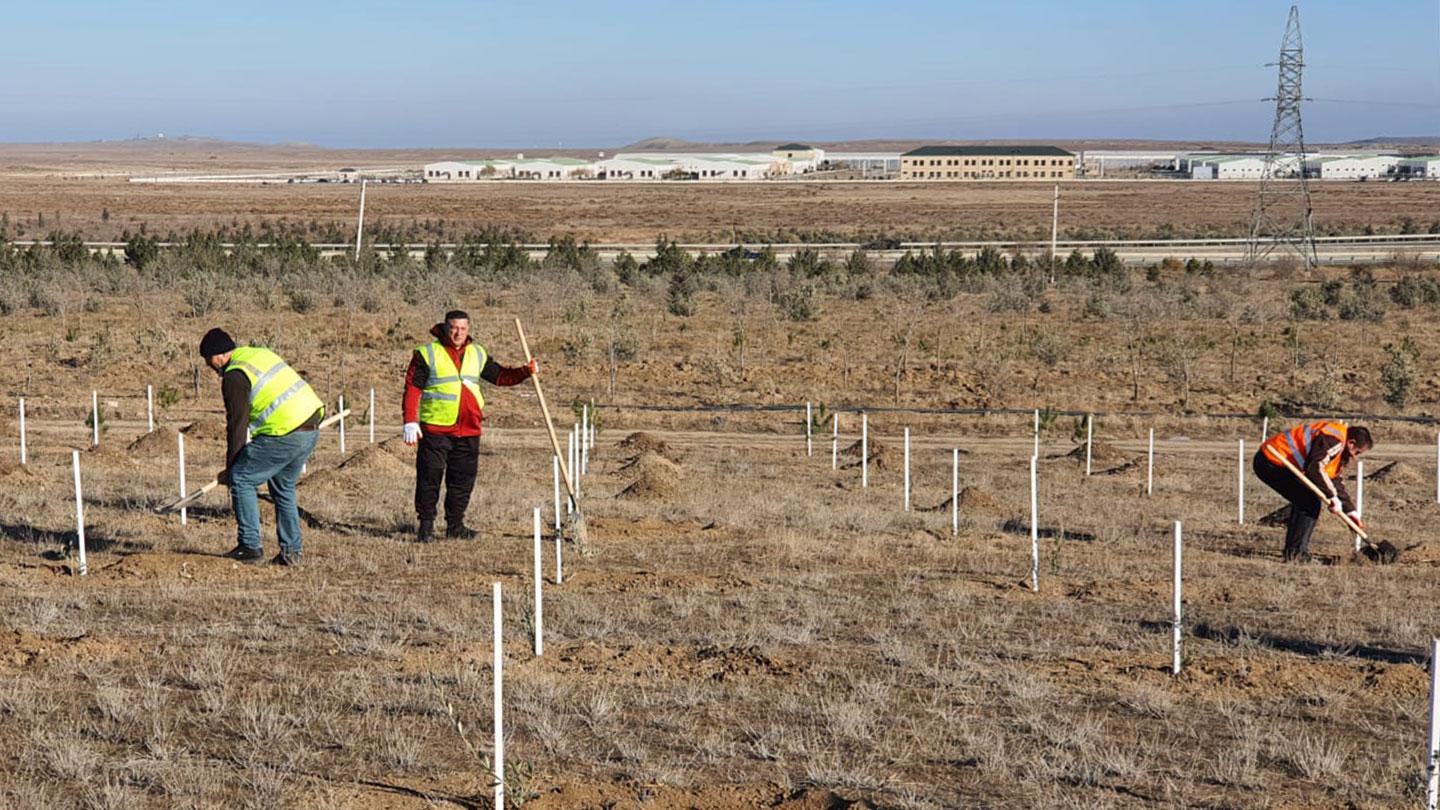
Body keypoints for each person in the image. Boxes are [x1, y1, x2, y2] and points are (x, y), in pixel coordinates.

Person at [402, 310, 537, 542]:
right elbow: (413, 388)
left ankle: (455, 526)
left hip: (469, 429)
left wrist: (525, 372)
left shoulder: (478, 353)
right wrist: (410, 421)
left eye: (463, 329)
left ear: (469, 329)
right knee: (430, 477)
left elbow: (500, 377)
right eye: (454, 328)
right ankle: (425, 528)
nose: (458, 333)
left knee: (463, 480)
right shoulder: (427, 354)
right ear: (445, 327)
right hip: (436, 428)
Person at [200, 328, 324, 566]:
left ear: (218, 356)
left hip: (284, 433)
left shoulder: (235, 376)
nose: (208, 366)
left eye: (207, 360)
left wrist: (232, 468)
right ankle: (291, 553)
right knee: (283, 488)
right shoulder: (259, 354)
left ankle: (249, 547)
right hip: (311, 427)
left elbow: (237, 426)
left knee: (242, 479)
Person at [1253, 420, 1372, 562]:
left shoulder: (1338, 451)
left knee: (1307, 501)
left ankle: (1295, 551)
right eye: (1357, 452)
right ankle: (1295, 554)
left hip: (1278, 463)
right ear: (1351, 443)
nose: (1355, 457)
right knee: (1308, 502)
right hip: (1271, 460)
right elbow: (1314, 467)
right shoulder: (1334, 439)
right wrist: (1331, 496)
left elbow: (1332, 479)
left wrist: (1350, 511)